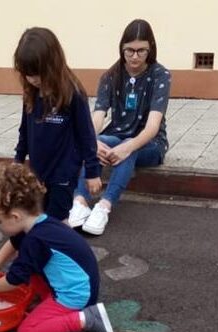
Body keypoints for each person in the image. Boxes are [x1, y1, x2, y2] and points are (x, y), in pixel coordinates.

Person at [0, 162, 114, 332]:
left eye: (0, 221)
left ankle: (87, 319)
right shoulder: (40, 223)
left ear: (15, 217)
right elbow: (13, 243)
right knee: (25, 263)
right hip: (81, 284)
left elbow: (13, 280)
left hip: (76, 296)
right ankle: (53, 305)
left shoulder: (36, 240)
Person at [69, 19, 171, 235]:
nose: (135, 56)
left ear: (150, 48)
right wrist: (92, 142)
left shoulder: (160, 75)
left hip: (151, 143)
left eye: (141, 51)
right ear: (122, 49)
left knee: (128, 149)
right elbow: (98, 116)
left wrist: (128, 147)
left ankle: (104, 206)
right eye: (129, 50)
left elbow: (153, 126)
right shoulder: (110, 76)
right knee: (98, 143)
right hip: (117, 135)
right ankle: (80, 202)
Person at [13, 27, 102, 223]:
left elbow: (86, 134)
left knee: (57, 222)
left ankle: (66, 244)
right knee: (39, 219)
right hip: (38, 171)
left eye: (37, 73)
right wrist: (18, 160)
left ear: (52, 64)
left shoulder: (72, 94)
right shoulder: (31, 93)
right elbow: (25, 130)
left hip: (63, 173)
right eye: (27, 74)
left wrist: (92, 171)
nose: (33, 79)